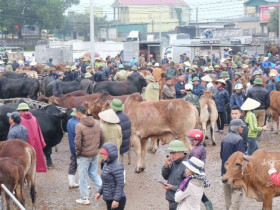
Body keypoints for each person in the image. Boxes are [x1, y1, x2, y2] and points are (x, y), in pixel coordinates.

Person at [74, 105, 104, 205]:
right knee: (93, 173)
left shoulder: (79, 126)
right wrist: (96, 148)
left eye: (75, 113)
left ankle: (85, 198)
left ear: (79, 113)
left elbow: (77, 143)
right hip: (94, 154)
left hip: (84, 156)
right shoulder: (96, 122)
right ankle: (105, 191)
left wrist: (77, 154)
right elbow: (102, 137)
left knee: (82, 177)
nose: (75, 114)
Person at [220, 119, 245, 210]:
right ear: (238, 128)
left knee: (227, 195)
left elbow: (221, 155)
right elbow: (241, 158)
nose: (243, 128)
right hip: (235, 174)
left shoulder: (224, 138)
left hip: (224, 172)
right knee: (237, 192)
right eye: (242, 126)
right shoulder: (239, 139)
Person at [95, 142, 126, 210]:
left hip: (117, 200)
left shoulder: (117, 167)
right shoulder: (106, 165)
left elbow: (120, 184)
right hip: (109, 199)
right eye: (102, 154)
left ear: (110, 155)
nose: (103, 156)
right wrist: (100, 192)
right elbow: (106, 182)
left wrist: (116, 200)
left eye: (104, 154)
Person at [187, 129, 213, 210]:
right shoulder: (200, 148)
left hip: (195, 174)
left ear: (197, 140)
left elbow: (193, 164)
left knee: (197, 192)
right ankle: (209, 206)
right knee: (200, 192)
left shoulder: (196, 151)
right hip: (200, 173)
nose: (190, 142)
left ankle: (208, 206)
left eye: (192, 140)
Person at [17, 103, 47, 172]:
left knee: (23, 164)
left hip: (24, 144)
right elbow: (39, 132)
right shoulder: (34, 118)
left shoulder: (19, 119)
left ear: (21, 110)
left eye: (19, 111)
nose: (18, 112)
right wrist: (41, 142)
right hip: (35, 143)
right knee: (33, 164)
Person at [161, 140, 189, 210]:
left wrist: (172, 187)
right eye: (170, 153)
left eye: (173, 153)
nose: (171, 156)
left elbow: (188, 187)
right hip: (171, 199)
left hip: (180, 202)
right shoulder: (173, 162)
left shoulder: (187, 166)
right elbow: (165, 176)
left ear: (181, 151)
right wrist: (166, 166)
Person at [66, 108, 79, 189]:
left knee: (73, 163)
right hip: (79, 147)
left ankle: (71, 182)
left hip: (72, 146)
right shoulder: (78, 123)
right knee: (82, 166)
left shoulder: (69, 121)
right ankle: (82, 183)